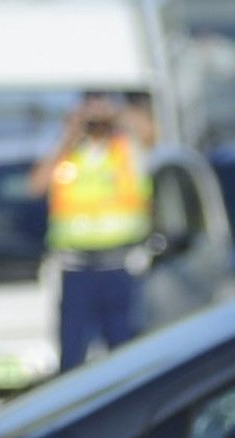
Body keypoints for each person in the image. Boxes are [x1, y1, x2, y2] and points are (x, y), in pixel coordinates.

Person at [45, 94, 154, 372]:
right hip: (75, 268)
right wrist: (72, 131)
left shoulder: (125, 151)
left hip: (118, 266)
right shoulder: (68, 155)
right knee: (72, 357)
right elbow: (35, 184)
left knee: (123, 355)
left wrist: (113, 113)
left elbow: (149, 133)